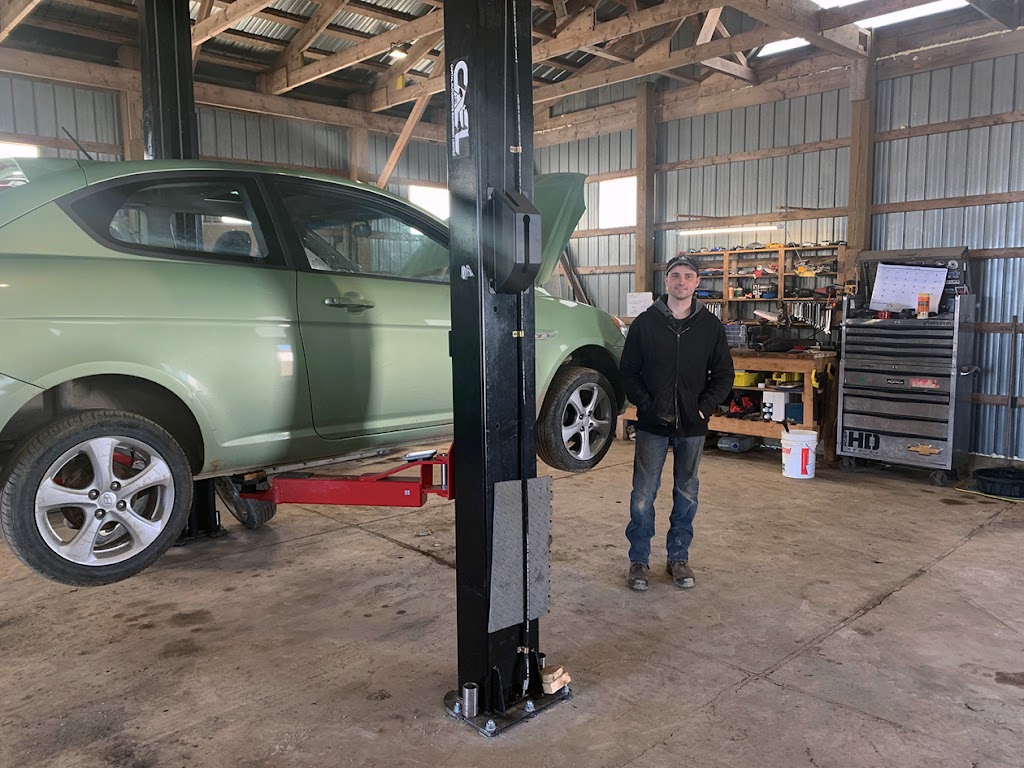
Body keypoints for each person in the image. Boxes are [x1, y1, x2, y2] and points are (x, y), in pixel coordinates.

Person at [619, 254, 734, 591]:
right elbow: (628, 371)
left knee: (687, 492)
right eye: (675, 275)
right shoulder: (645, 323)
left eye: (687, 276)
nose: (681, 281)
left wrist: (704, 407)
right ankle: (639, 560)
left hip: (692, 425)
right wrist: (646, 404)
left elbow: (724, 375)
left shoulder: (710, 326)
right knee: (643, 495)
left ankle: (678, 558)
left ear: (697, 283)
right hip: (652, 424)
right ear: (666, 281)